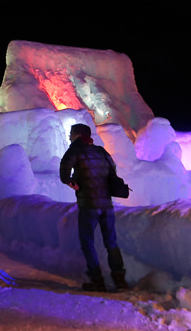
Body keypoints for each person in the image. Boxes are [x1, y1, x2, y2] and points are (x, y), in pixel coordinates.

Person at [60, 123, 128, 291]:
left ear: (77, 135)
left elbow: (63, 172)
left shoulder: (75, 150)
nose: (69, 137)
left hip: (88, 204)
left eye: (71, 134)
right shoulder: (101, 152)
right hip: (106, 204)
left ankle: (97, 280)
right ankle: (120, 280)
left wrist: (71, 182)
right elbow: (113, 173)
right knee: (111, 241)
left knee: (87, 241)